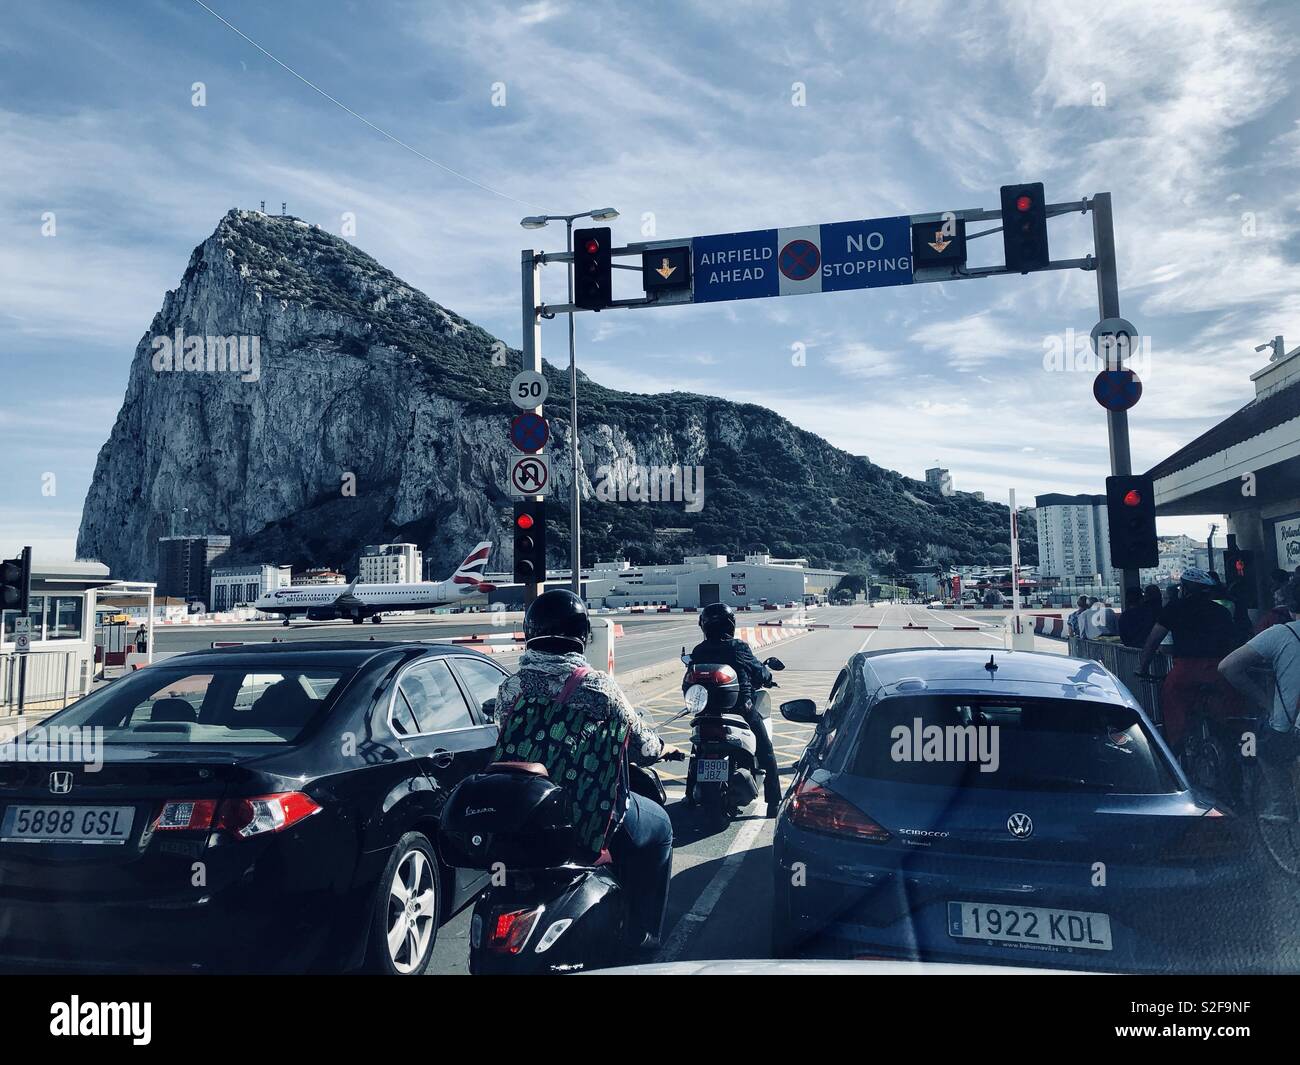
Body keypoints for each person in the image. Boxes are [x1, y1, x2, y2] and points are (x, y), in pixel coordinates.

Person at [494, 589, 679, 950]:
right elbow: (641, 744)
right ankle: (644, 934)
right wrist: (663, 748)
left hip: (525, 811)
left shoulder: (510, 688)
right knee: (661, 830)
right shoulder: (599, 686)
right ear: (581, 635)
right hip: (582, 812)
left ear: (530, 631)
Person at [685, 602, 783, 816]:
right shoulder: (738, 647)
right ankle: (774, 803)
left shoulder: (699, 651)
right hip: (741, 710)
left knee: (698, 749)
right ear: (730, 625)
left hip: (706, 713)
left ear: (704, 626)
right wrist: (767, 677)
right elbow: (758, 671)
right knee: (766, 751)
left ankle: (689, 796)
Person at [1218, 575, 1300, 822]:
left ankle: (1281, 804)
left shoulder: (1280, 635)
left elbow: (1228, 667)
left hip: (1291, 726)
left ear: (1290, 604)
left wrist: (1267, 701)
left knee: (1266, 751)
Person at [1137, 567, 1244, 750]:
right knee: (1230, 719)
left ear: (1184, 588)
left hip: (1184, 671)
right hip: (1217, 670)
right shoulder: (1222, 612)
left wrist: (1143, 667)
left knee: (1174, 717)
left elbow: (1153, 640)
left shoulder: (1174, 608)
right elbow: (1234, 643)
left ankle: (1175, 757)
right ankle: (1235, 752)